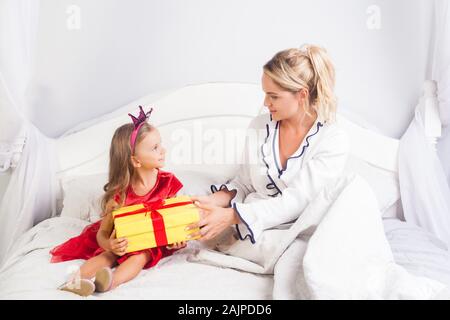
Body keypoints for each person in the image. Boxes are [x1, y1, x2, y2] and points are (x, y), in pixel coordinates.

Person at [189, 45, 350, 245]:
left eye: (274, 96)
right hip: (255, 227)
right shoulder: (259, 126)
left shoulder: (332, 139)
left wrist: (231, 216)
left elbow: (298, 201)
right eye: (265, 94)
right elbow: (246, 182)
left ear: (302, 94)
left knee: (300, 258)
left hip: (302, 231)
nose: (266, 102)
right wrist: (212, 201)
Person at [50, 106, 187, 296]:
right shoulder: (119, 197)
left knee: (140, 256)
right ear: (136, 161)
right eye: (155, 148)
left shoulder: (167, 184)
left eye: (160, 144)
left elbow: (174, 222)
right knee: (108, 255)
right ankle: (72, 283)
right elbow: (103, 233)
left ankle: (108, 283)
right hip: (123, 240)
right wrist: (109, 244)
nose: (163, 150)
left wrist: (176, 240)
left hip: (150, 241)